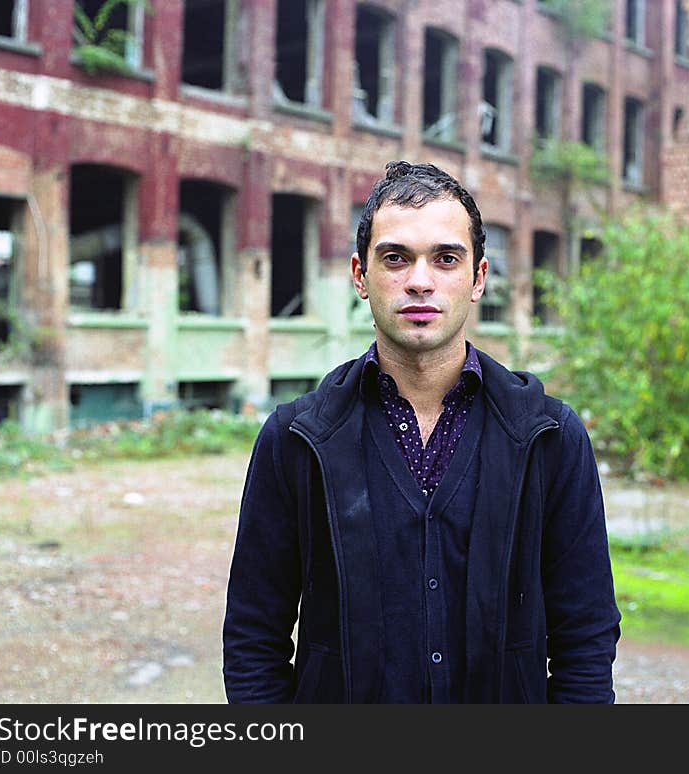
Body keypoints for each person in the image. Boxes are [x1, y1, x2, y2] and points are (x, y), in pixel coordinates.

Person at [222, 160, 621, 703]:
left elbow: (585, 637)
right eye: (396, 258)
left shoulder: (549, 438)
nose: (419, 280)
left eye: (446, 258)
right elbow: (253, 637)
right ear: (361, 275)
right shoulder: (297, 440)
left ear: (478, 278)